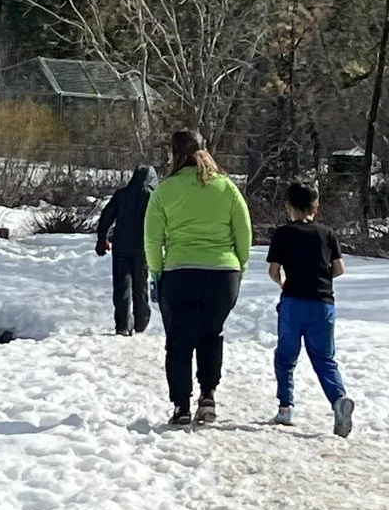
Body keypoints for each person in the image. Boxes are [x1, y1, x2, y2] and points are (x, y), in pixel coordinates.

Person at [142, 128, 252, 427]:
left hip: (180, 273)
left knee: (178, 342)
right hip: (222, 275)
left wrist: (156, 272)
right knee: (210, 334)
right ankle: (208, 396)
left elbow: (152, 240)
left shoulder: (165, 190)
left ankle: (181, 406)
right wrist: (239, 268)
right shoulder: (226, 187)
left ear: (174, 154)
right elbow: (243, 233)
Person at [264, 181, 356, 437]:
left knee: (286, 357)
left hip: (294, 302)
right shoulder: (328, 233)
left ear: (289, 207)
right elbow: (339, 268)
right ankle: (338, 401)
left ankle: (285, 408)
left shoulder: (283, 233)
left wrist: (284, 283)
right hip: (324, 304)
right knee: (325, 359)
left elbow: (273, 271)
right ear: (316, 207)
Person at [95, 164, 158, 335]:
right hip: (144, 248)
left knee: (122, 285)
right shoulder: (153, 197)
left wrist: (103, 237)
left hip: (122, 246)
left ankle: (122, 324)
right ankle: (141, 323)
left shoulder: (121, 195)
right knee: (141, 284)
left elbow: (106, 216)